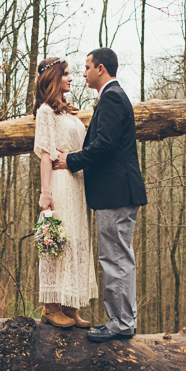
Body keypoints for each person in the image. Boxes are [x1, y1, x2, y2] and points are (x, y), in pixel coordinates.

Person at [53, 48, 147, 343]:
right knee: (118, 257)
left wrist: (70, 160)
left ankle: (120, 323)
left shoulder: (111, 98)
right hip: (117, 192)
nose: (83, 73)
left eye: (87, 67)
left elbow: (104, 145)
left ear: (101, 69)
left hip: (116, 193)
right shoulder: (113, 97)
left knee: (115, 258)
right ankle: (123, 320)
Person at [33, 57, 98, 329]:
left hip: (77, 183)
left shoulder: (69, 114)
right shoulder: (45, 112)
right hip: (59, 182)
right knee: (61, 241)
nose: (72, 78)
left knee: (77, 240)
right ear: (54, 78)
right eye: (67, 74)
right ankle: (51, 307)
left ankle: (71, 306)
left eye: (72, 73)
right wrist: (45, 192)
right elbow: (46, 154)